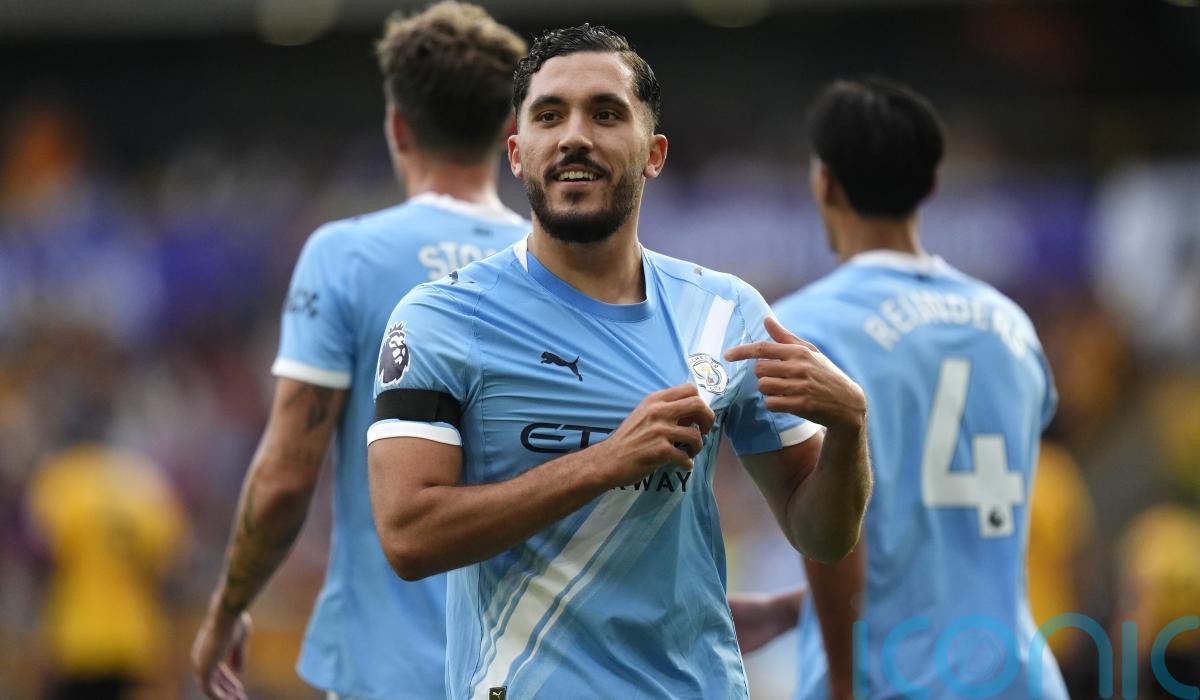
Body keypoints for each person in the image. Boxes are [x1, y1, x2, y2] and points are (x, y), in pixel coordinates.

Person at [366, 24, 873, 699]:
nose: (575, 136)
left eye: (606, 114)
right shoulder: (442, 318)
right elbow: (408, 536)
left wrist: (850, 430)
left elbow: (822, 535)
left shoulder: (727, 312)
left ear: (653, 152)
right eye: (550, 115)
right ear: (516, 153)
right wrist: (607, 460)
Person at [190, 4, 529, 699]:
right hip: (534, 671)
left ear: (398, 126)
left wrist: (228, 606)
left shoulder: (345, 256)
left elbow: (287, 476)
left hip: (390, 673)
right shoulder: (556, 266)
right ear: (508, 131)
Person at [729, 78, 1067, 699]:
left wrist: (841, 682)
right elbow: (949, 547)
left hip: (895, 679)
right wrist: (794, 610)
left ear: (824, 183)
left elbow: (839, 536)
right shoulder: (1013, 327)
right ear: (931, 185)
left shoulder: (800, 330)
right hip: (1019, 677)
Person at [27, 443, 186, 700]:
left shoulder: (65, 481)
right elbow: (171, 561)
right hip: (136, 636)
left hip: (78, 636)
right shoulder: (148, 487)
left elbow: (43, 550)